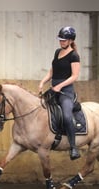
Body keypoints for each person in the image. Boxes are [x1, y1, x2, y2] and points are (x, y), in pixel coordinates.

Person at [39, 26, 81, 160]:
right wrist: (42, 82)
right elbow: (52, 72)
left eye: (63, 40)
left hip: (66, 92)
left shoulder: (74, 55)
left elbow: (74, 76)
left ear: (70, 41)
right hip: (54, 89)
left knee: (67, 116)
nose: (61, 42)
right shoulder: (57, 52)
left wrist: (60, 86)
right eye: (60, 40)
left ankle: (73, 147)